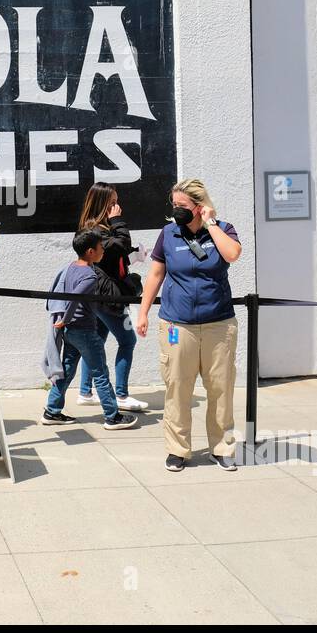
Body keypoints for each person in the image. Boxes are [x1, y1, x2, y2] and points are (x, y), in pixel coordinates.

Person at [136, 179, 241, 473]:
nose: (175, 211)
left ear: (199, 205)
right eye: (174, 206)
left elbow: (232, 254)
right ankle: (177, 450)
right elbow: (156, 275)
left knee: (221, 389)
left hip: (218, 323)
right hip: (176, 324)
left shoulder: (222, 228)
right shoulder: (168, 234)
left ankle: (221, 448)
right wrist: (143, 312)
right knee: (178, 388)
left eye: (182, 206)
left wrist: (211, 225)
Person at [44, 230, 139, 430]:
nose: (103, 251)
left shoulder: (71, 267)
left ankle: (51, 410)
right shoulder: (90, 275)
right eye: (100, 247)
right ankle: (112, 416)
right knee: (101, 373)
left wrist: (65, 322)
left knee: (67, 370)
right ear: (90, 251)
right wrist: (64, 319)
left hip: (71, 332)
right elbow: (74, 298)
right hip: (84, 331)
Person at [74, 183, 148, 414]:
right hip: (106, 296)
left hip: (102, 293)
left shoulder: (100, 228)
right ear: (102, 203)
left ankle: (86, 391)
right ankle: (122, 394)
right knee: (128, 341)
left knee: (96, 341)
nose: (118, 206)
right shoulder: (94, 229)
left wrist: (134, 255)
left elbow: (117, 252)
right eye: (113, 202)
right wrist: (118, 223)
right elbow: (119, 245)